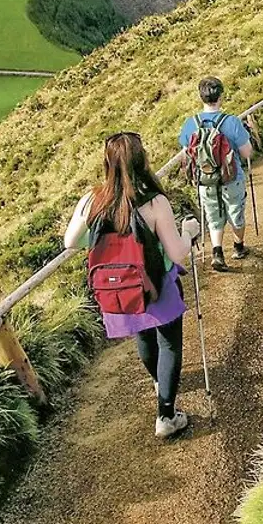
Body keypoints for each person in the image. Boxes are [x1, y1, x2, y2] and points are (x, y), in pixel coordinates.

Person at [64, 132, 202, 439]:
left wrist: (107, 246)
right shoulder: (154, 202)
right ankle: (165, 415)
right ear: (142, 160)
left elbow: (69, 241)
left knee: (143, 334)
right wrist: (188, 232)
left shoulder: (92, 199)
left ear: (107, 163)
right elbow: (178, 252)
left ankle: (158, 383)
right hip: (157, 284)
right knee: (169, 344)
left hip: (120, 287)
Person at [178, 76, 255, 272]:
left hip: (205, 180)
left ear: (201, 97)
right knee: (235, 212)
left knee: (213, 216)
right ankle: (238, 247)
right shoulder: (232, 122)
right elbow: (247, 153)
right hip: (231, 178)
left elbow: (187, 153)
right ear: (221, 96)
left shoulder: (190, 124)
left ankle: (217, 252)